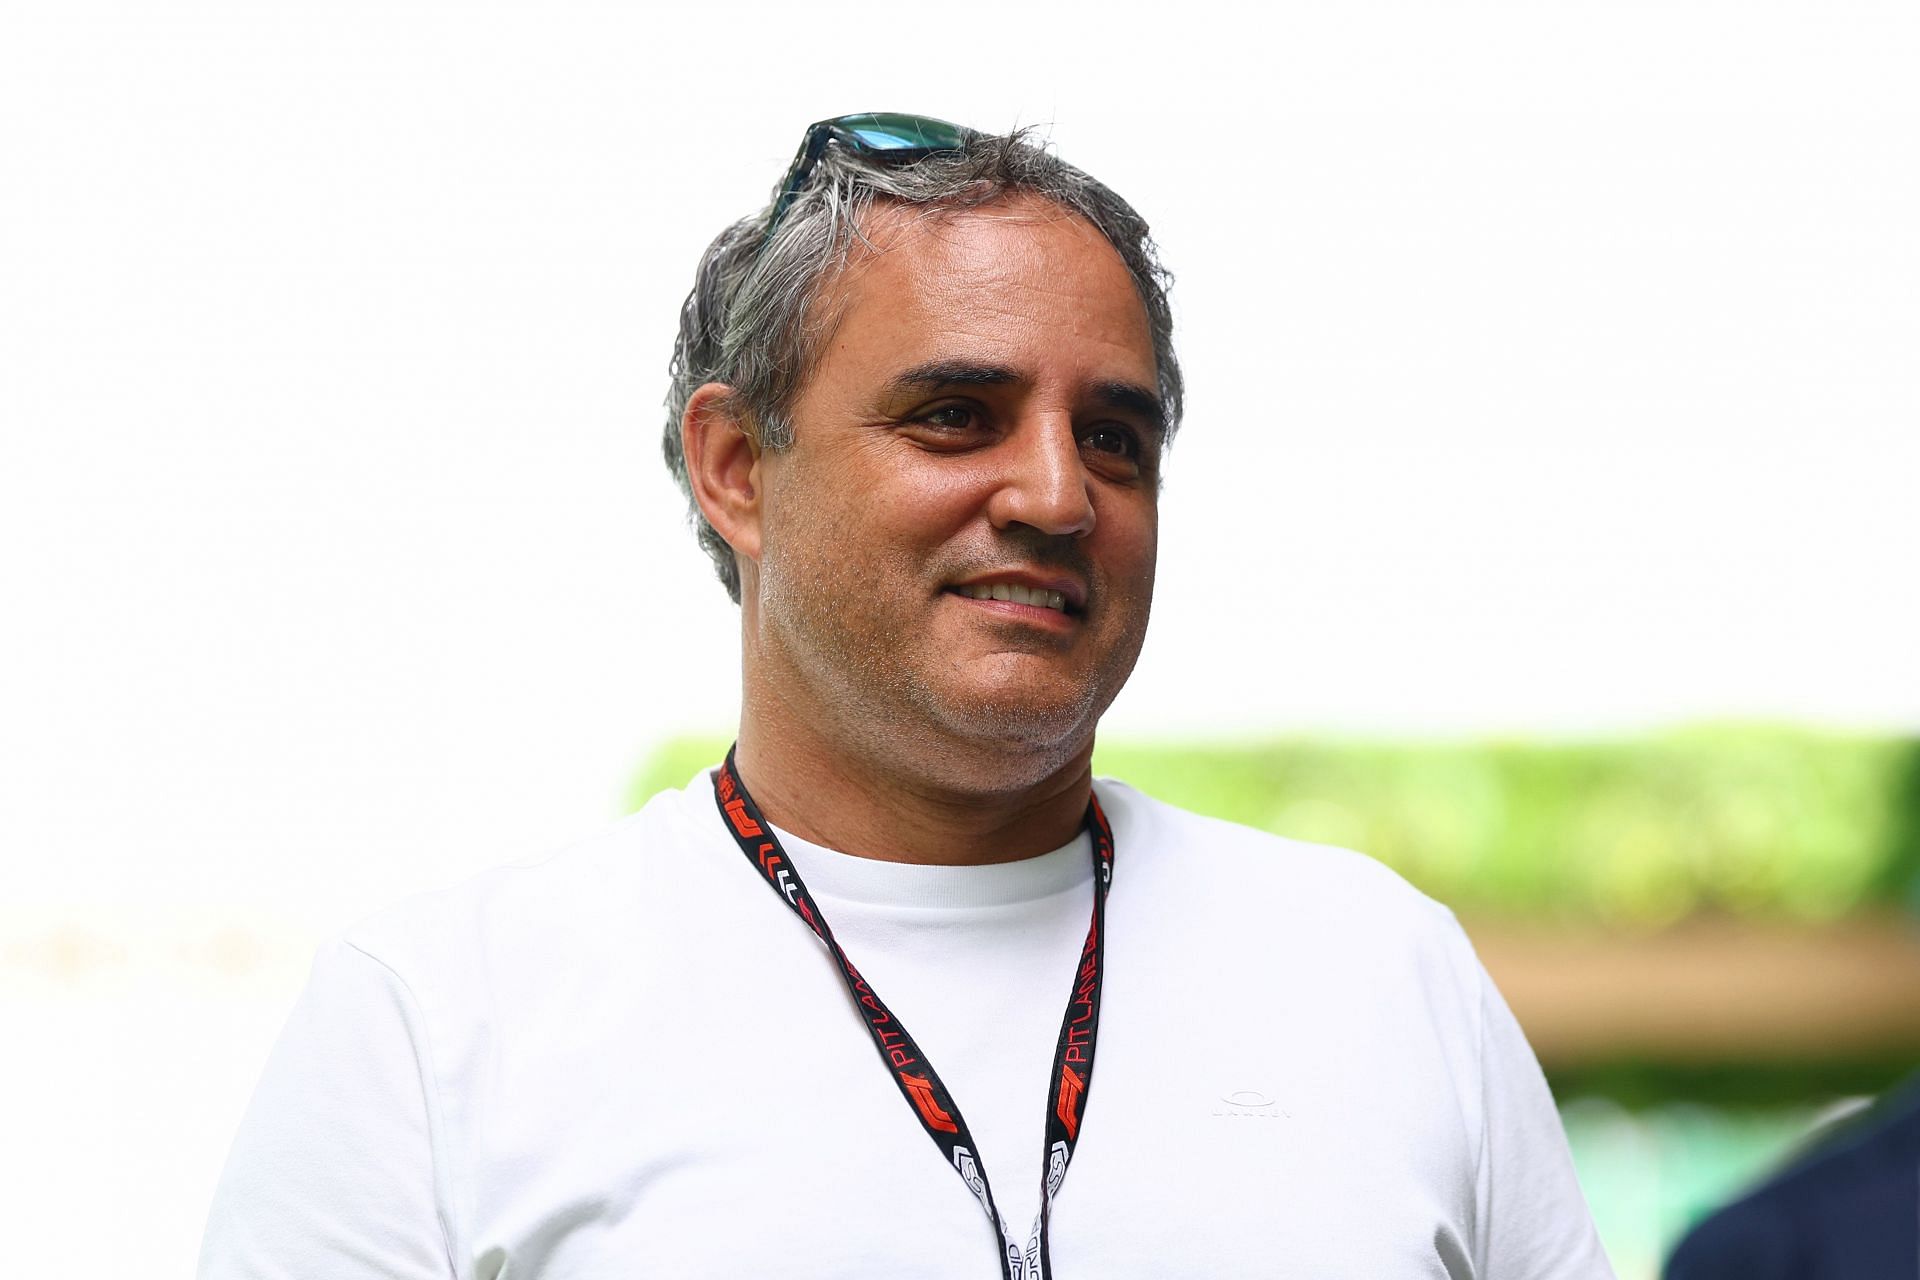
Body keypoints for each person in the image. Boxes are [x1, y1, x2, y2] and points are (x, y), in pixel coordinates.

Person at [199, 113, 1613, 1279]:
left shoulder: (1380, 975)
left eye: (1113, 436)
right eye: (956, 415)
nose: (1059, 495)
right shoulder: (442, 1027)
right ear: (738, 469)